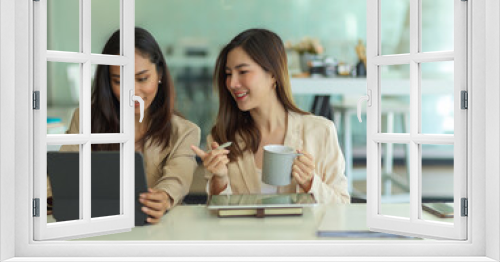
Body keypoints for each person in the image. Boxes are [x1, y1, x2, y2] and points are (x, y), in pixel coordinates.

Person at [48, 27, 200, 223]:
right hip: (95, 227)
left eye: (142, 79)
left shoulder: (185, 132)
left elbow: (178, 177)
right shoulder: (86, 118)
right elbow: (65, 173)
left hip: (155, 232)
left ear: (160, 74)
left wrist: (163, 197)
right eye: (119, 81)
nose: (133, 91)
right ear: (108, 82)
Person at [191, 28, 350, 204]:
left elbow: (342, 207)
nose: (232, 83)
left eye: (243, 72)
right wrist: (219, 180)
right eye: (228, 74)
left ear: (273, 74)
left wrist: (310, 183)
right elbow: (216, 218)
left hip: (302, 232)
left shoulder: (320, 131)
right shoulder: (221, 139)